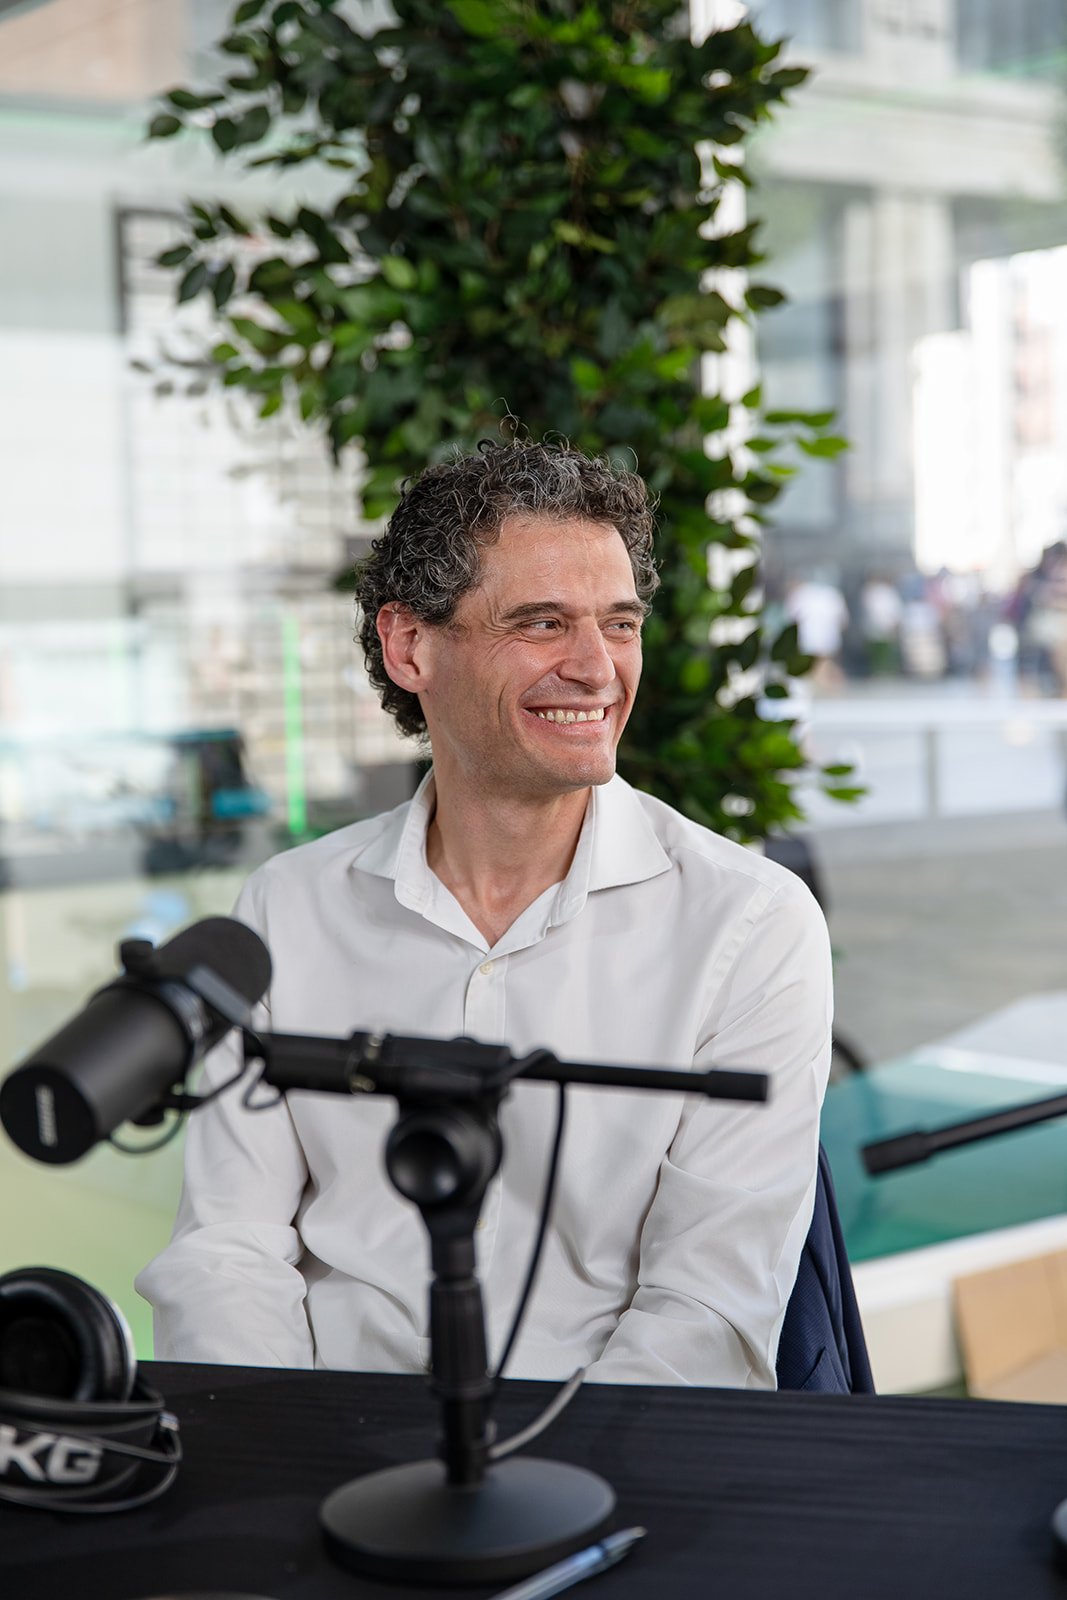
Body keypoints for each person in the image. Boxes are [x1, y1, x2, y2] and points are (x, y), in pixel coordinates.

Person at [137, 440, 832, 1388]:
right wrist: (275, 1442)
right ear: (409, 647)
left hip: (608, 1449)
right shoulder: (286, 907)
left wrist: (552, 1466)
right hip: (330, 1432)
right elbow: (227, 1251)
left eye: (619, 624)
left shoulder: (749, 924)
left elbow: (706, 1311)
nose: (596, 668)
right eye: (541, 623)